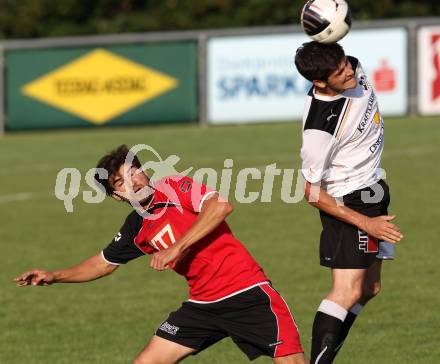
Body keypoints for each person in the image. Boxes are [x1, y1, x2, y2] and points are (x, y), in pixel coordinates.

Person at [14, 145, 308, 364]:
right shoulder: (136, 228)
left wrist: (176, 248)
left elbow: (220, 206)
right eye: (121, 181)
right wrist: (54, 276)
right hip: (202, 305)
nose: (133, 181)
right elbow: (102, 264)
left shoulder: (174, 187)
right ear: (118, 196)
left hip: (247, 293)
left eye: (134, 171)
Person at [294, 42, 403, 363]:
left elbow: (333, 33)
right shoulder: (320, 128)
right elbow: (310, 191)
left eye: (346, 63)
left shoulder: (350, 65)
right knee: (347, 291)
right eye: (339, 72)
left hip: (374, 191)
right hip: (348, 203)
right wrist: (365, 222)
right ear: (320, 82)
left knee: (370, 288)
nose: (350, 71)